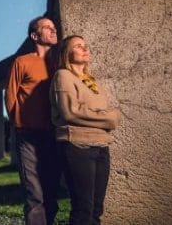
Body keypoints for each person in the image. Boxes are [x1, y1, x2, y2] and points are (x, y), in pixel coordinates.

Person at [50, 35, 121, 225]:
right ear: (67, 53)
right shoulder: (63, 76)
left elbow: (107, 111)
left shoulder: (92, 81)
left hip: (101, 146)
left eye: (86, 46)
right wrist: (107, 118)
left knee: (97, 209)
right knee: (83, 208)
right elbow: (71, 112)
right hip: (77, 145)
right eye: (78, 46)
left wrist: (106, 116)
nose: (85, 49)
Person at [5, 16, 60, 225]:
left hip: (54, 134)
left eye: (54, 27)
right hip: (27, 134)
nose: (54, 31)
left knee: (51, 191)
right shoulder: (22, 62)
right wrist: (18, 124)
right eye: (48, 28)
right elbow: (10, 97)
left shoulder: (59, 63)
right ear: (35, 36)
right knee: (34, 193)